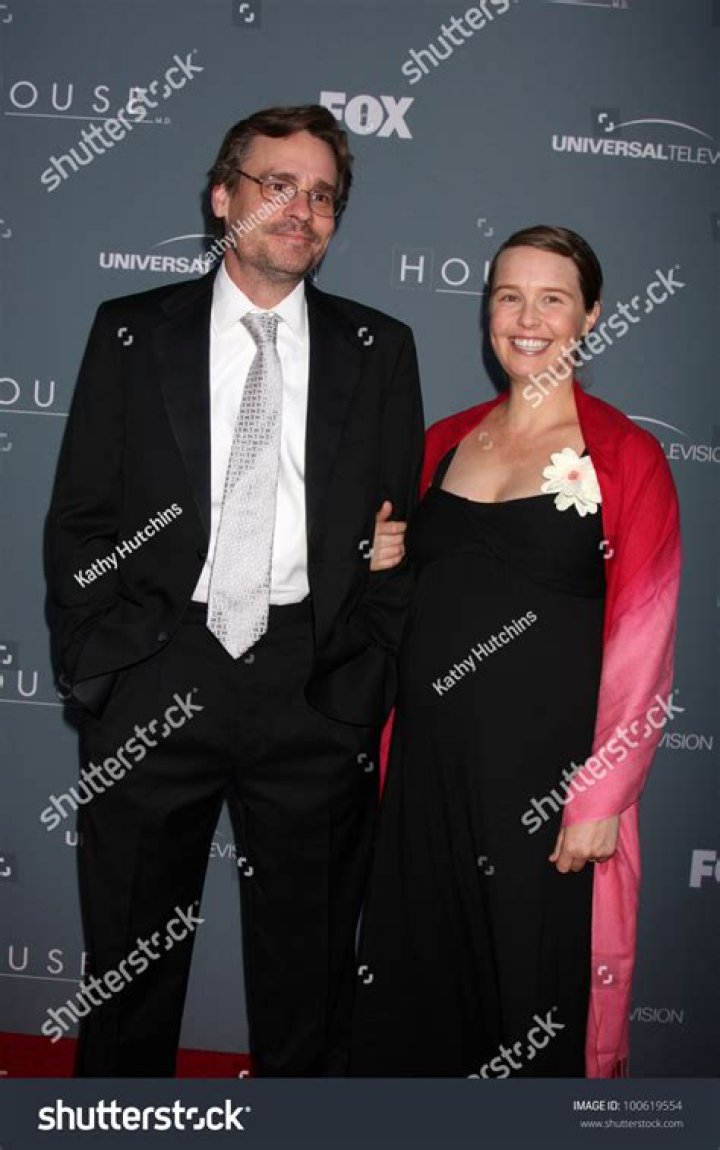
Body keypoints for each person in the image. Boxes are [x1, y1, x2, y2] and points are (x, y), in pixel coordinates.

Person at [45, 104, 424, 1077]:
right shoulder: (132, 332)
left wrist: (362, 681)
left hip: (313, 686)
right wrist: (103, 660)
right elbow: (81, 517)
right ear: (223, 197)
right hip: (156, 667)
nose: (302, 210)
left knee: (310, 984)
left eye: (323, 196)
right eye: (277, 185)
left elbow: (400, 540)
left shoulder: (380, 348)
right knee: (129, 973)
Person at [350, 225, 680, 1078]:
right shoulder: (442, 442)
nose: (527, 320)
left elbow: (646, 638)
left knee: (531, 1005)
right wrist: (384, 565)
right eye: (508, 297)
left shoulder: (627, 457)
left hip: (546, 795)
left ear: (591, 315)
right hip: (425, 774)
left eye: (552, 299)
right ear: (487, 310)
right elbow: (404, 605)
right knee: (419, 995)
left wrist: (601, 795)